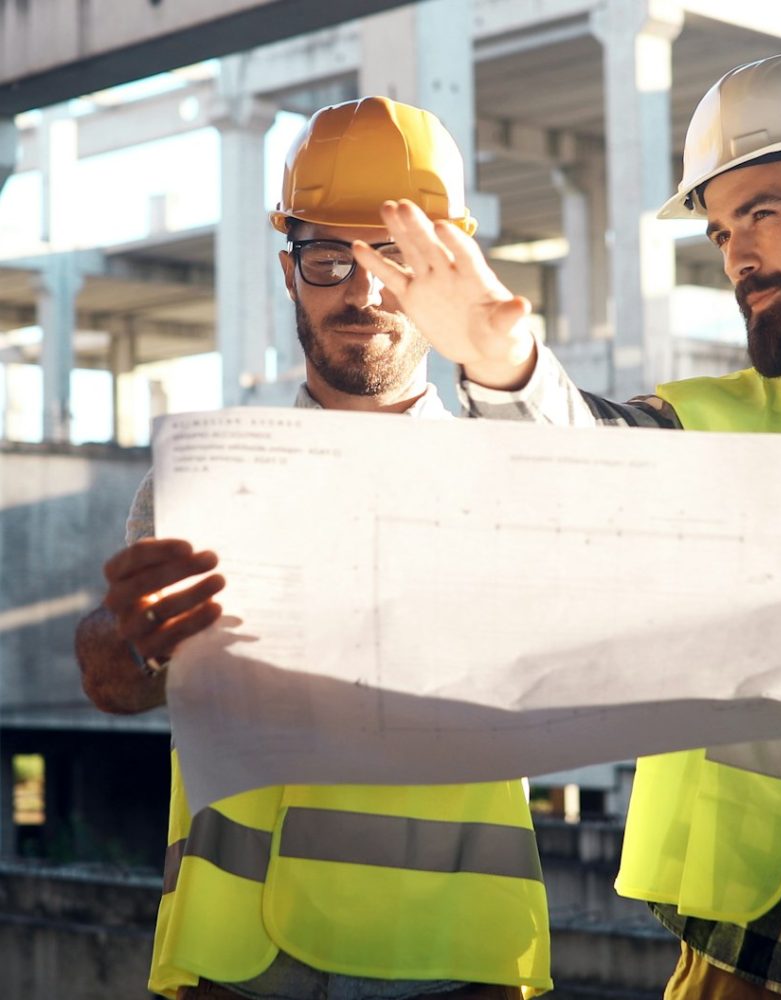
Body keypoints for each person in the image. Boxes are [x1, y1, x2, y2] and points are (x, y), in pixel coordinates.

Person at [354, 54, 781, 1000]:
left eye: (761, 213)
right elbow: (590, 460)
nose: (735, 256)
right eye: (722, 230)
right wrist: (503, 361)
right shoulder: (718, 416)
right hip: (734, 959)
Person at [74, 96, 551, 1000]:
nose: (361, 292)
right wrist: (116, 645)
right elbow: (122, 683)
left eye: (394, 258)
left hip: (458, 962)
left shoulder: (516, 479)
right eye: (328, 258)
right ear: (290, 272)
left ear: (441, 267)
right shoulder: (204, 483)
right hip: (239, 963)